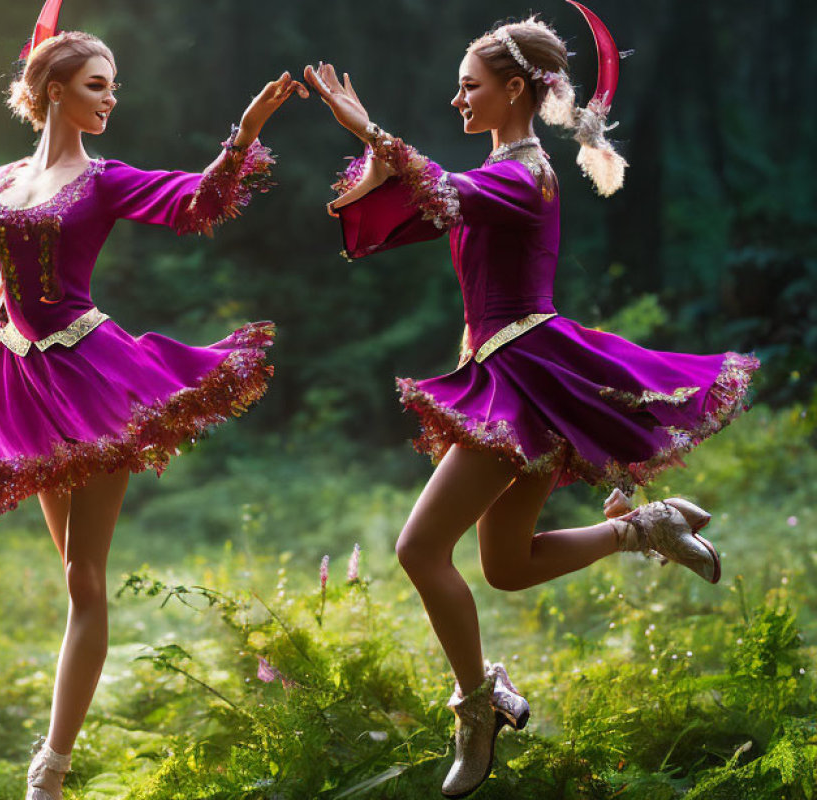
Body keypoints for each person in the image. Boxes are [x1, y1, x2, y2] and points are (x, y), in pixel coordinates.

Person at [304, 9, 757, 797]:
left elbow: (440, 187)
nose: (457, 101)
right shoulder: (501, 176)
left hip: (519, 381)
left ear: (514, 89)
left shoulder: (522, 176)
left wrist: (371, 129)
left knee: (419, 550)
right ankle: (641, 528)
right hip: (511, 379)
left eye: (468, 87)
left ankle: (477, 705)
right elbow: (394, 216)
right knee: (507, 566)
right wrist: (377, 160)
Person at [0, 4, 306, 796]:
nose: (111, 98)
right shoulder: (3, 180)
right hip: (19, 379)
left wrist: (244, 134)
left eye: (115, 87)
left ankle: (49, 770)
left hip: (91, 378)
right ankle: (55, 764)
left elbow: (195, 202)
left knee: (87, 579)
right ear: (52, 89)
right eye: (96, 84)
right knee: (74, 582)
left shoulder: (106, 179)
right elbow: (4, 285)